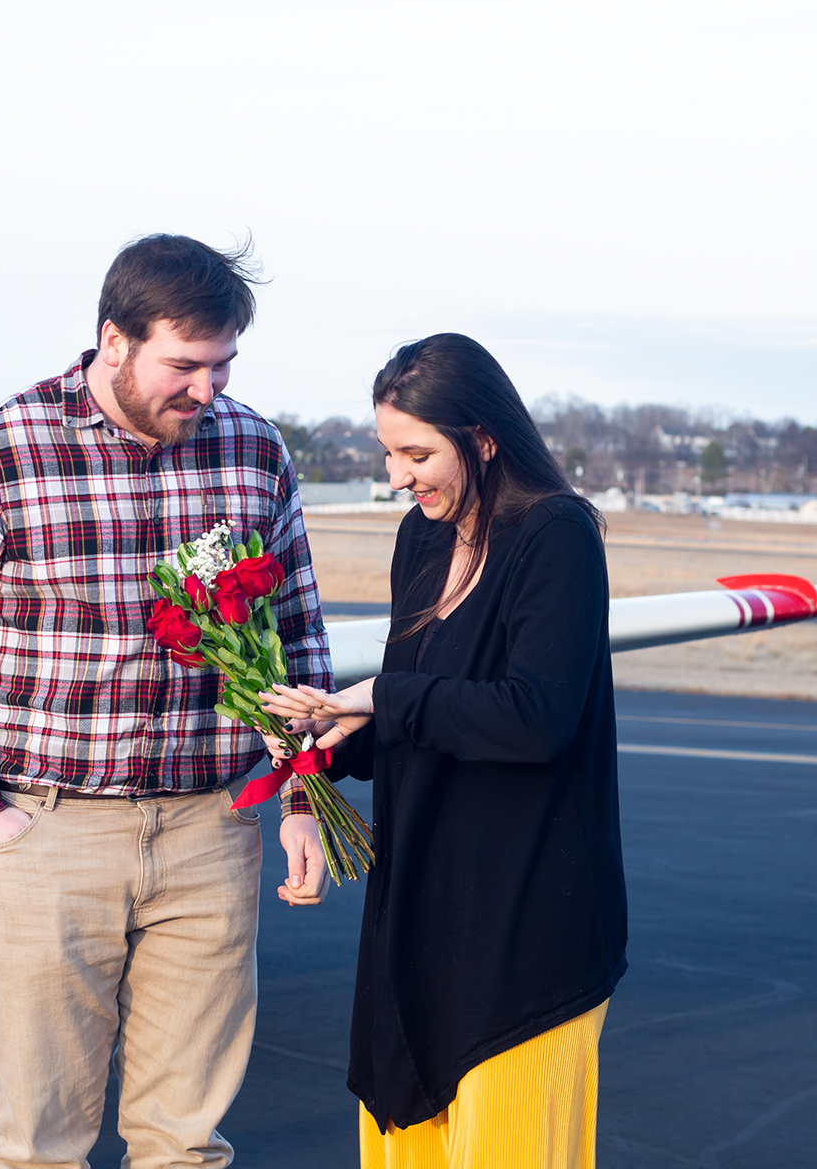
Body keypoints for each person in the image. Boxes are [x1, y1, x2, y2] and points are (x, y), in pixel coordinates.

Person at [0, 234, 335, 1169]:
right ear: (113, 342)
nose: (206, 390)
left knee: (185, 1144)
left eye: (222, 366)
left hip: (211, 830)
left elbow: (298, 638)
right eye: (185, 365)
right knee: (41, 1144)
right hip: (50, 833)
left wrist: (302, 796)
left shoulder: (254, 448)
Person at [259, 332, 626, 1169]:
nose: (398, 475)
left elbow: (534, 719)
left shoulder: (556, 535)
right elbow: (426, 702)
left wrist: (383, 698)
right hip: (420, 911)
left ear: (484, 437)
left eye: (417, 452)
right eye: (389, 452)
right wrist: (322, 752)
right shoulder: (421, 540)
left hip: (524, 931)